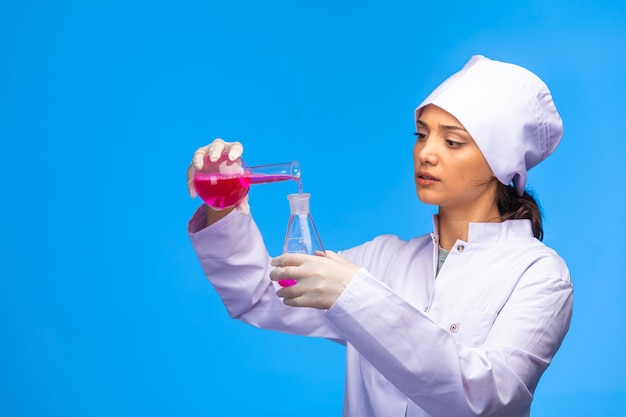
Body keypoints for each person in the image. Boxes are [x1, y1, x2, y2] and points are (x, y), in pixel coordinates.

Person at [185, 55, 573, 417]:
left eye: (452, 141)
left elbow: (487, 397)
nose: (426, 153)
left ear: (501, 163)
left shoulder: (539, 274)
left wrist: (354, 295)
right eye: (422, 135)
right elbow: (258, 294)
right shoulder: (383, 258)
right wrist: (223, 203)